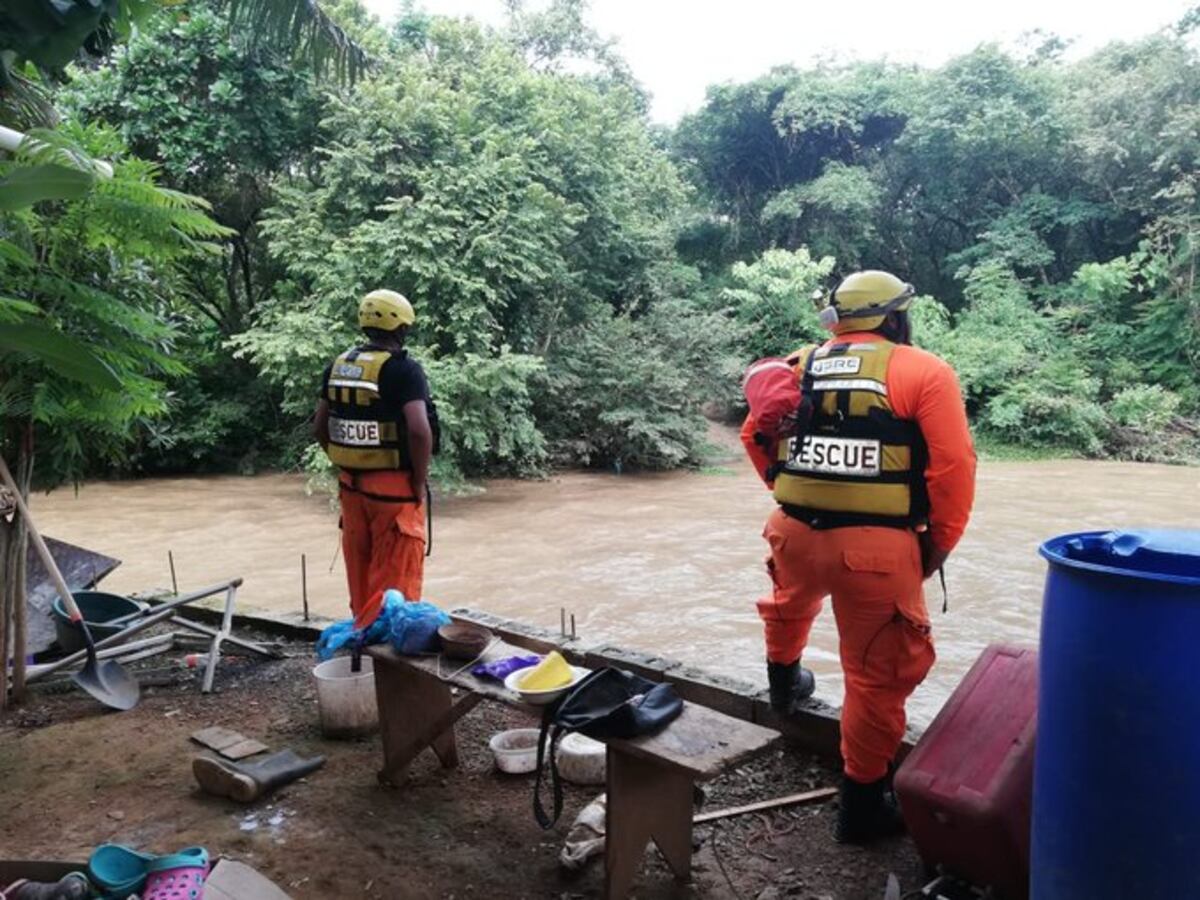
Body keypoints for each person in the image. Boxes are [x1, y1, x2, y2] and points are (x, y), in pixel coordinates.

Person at [740, 270, 975, 844]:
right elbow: (953, 468)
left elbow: (754, 435)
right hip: (877, 549)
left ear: (839, 319)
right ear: (895, 317)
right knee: (876, 676)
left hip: (792, 533)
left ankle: (783, 686)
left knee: (787, 604)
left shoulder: (798, 365)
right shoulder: (924, 370)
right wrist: (937, 544)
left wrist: (786, 489)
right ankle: (863, 807)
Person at [314, 289, 435, 630]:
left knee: (361, 579)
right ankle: (389, 667)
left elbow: (320, 427)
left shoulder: (338, 367)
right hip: (394, 494)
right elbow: (419, 432)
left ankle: (362, 651)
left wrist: (345, 464)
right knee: (395, 594)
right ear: (401, 327)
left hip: (351, 489)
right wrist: (417, 483)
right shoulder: (404, 370)